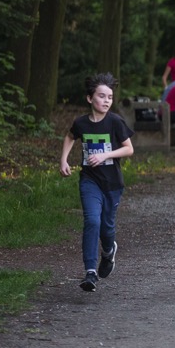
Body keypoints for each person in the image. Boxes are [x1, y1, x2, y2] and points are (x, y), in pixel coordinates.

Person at [59, 73, 134, 292]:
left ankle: (108, 251)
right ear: (90, 98)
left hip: (112, 184)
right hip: (89, 181)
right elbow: (70, 137)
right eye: (102, 96)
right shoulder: (81, 123)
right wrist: (63, 160)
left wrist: (105, 155)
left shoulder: (115, 122)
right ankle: (90, 272)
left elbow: (129, 149)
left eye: (110, 97)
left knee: (106, 228)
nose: (106, 100)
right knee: (92, 221)